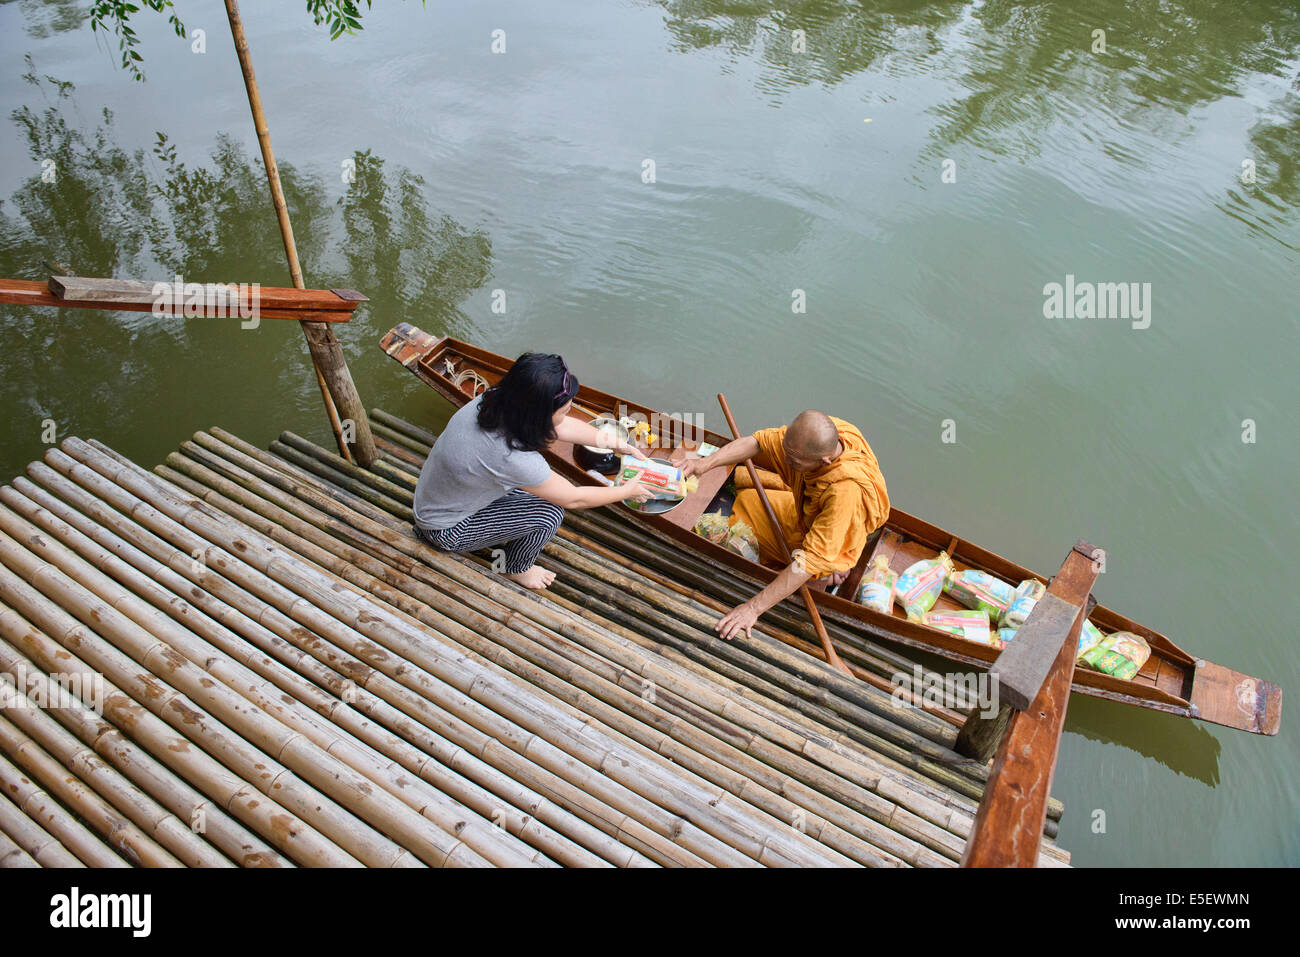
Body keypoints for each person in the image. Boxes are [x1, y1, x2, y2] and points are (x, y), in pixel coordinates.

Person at [412, 352, 652, 589]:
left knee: (539, 491)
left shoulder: (497, 399)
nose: (568, 413)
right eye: (566, 409)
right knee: (549, 513)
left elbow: (561, 425)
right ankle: (515, 568)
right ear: (540, 415)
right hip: (445, 530)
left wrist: (617, 444)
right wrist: (625, 491)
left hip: (436, 499)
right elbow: (574, 498)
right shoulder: (512, 458)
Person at [681, 409, 889, 640]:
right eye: (787, 453)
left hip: (824, 543)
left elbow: (807, 562)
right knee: (748, 498)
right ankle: (832, 562)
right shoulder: (839, 432)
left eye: (794, 461)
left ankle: (831, 568)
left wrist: (752, 609)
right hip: (808, 518)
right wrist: (704, 464)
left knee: (737, 527)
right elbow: (760, 443)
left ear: (825, 461)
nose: (785, 461)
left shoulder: (844, 493)